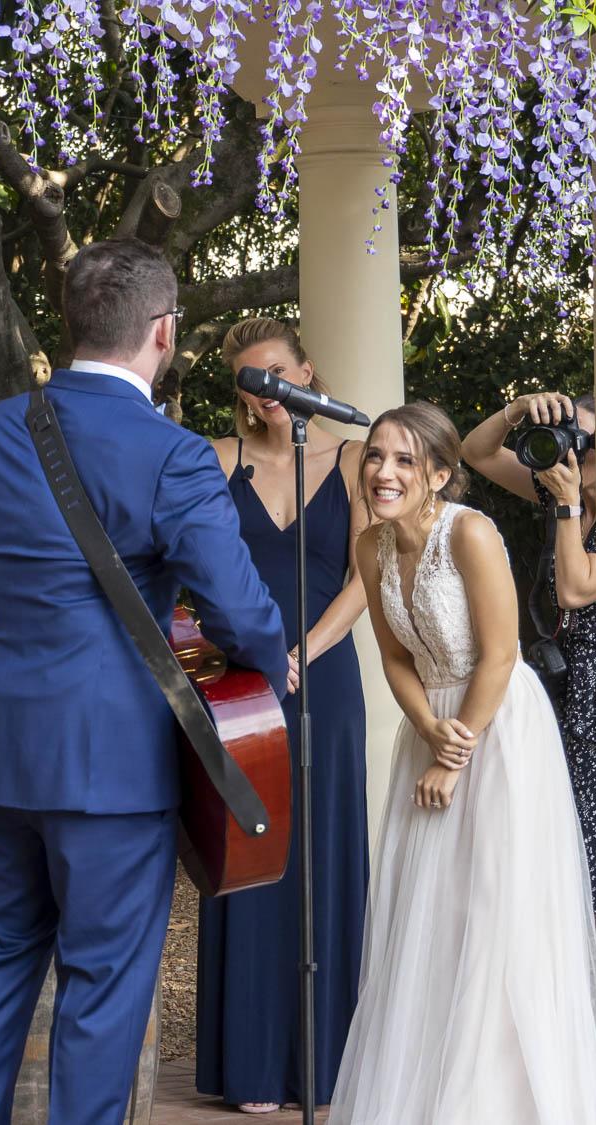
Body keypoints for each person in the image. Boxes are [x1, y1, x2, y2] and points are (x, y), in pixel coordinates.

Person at [0, 238, 288, 1124]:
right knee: (102, 979)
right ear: (163, 331)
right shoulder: (174, 454)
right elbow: (241, 614)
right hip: (110, 761)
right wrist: (270, 671)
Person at [333, 403, 596, 1124]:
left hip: (496, 727)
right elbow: (394, 657)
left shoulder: (471, 532)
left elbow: (501, 654)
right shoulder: (370, 547)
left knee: (493, 907)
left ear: (439, 475)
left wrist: (454, 754)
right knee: (429, 912)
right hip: (431, 730)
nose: (384, 471)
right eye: (376, 456)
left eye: (405, 460)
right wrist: (427, 727)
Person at [197, 318, 370, 1113]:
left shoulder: (356, 459)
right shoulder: (214, 458)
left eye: (275, 371)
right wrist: (257, 650)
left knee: (322, 851)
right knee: (250, 848)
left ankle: (325, 1062)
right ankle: (253, 1063)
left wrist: (300, 650)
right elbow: (195, 566)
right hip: (240, 681)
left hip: (326, 680)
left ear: (305, 371)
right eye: (249, 378)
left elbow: (365, 578)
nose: (264, 389)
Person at [462, 391, 596, 909]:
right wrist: (518, 410)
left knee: (592, 835)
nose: (570, 447)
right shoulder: (559, 491)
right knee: (550, 824)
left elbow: (575, 589)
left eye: (582, 438)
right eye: (565, 432)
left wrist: (567, 505)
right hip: (561, 679)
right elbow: (475, 452)